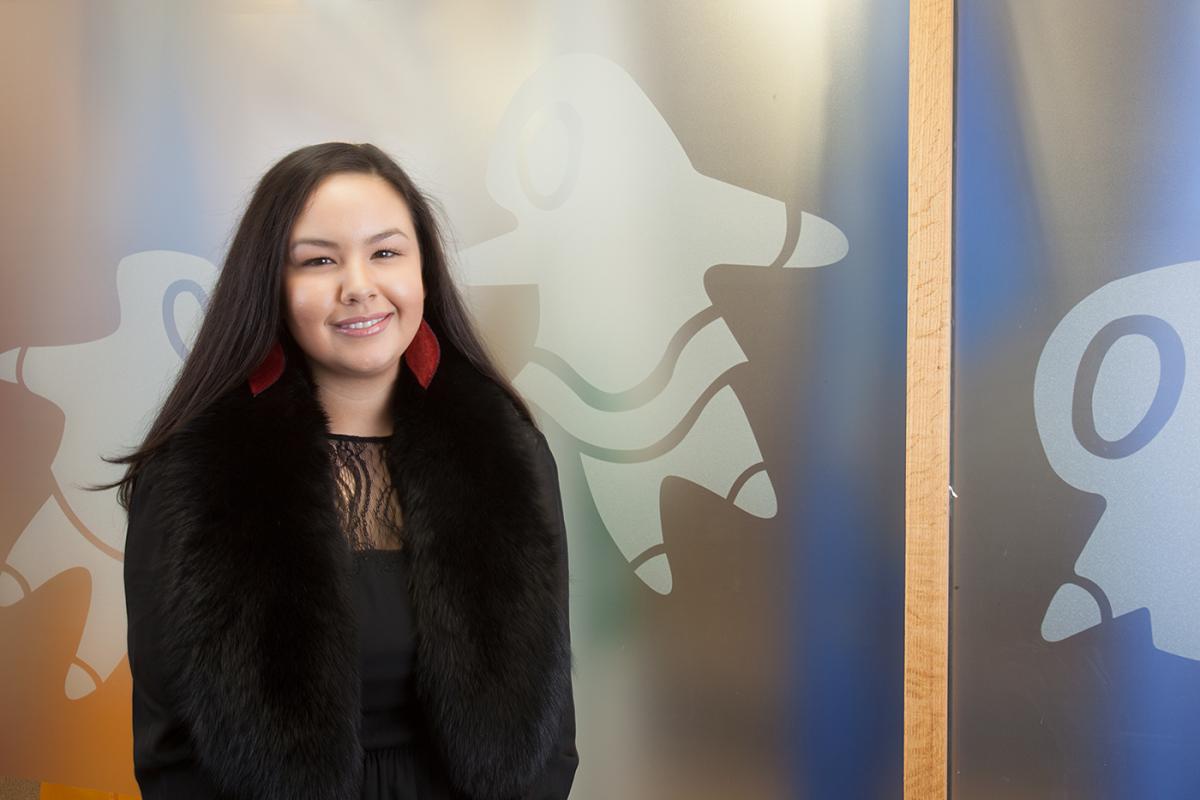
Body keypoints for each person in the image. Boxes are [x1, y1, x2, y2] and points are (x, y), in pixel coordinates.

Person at [109, 143, 578, 798]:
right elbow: (170, 756)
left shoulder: (509, 453)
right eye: (319, 260)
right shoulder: (196, 476)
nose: (358, 284)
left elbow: (550, 736)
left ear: (424, 272)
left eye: (385, 253)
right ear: (271, 283)